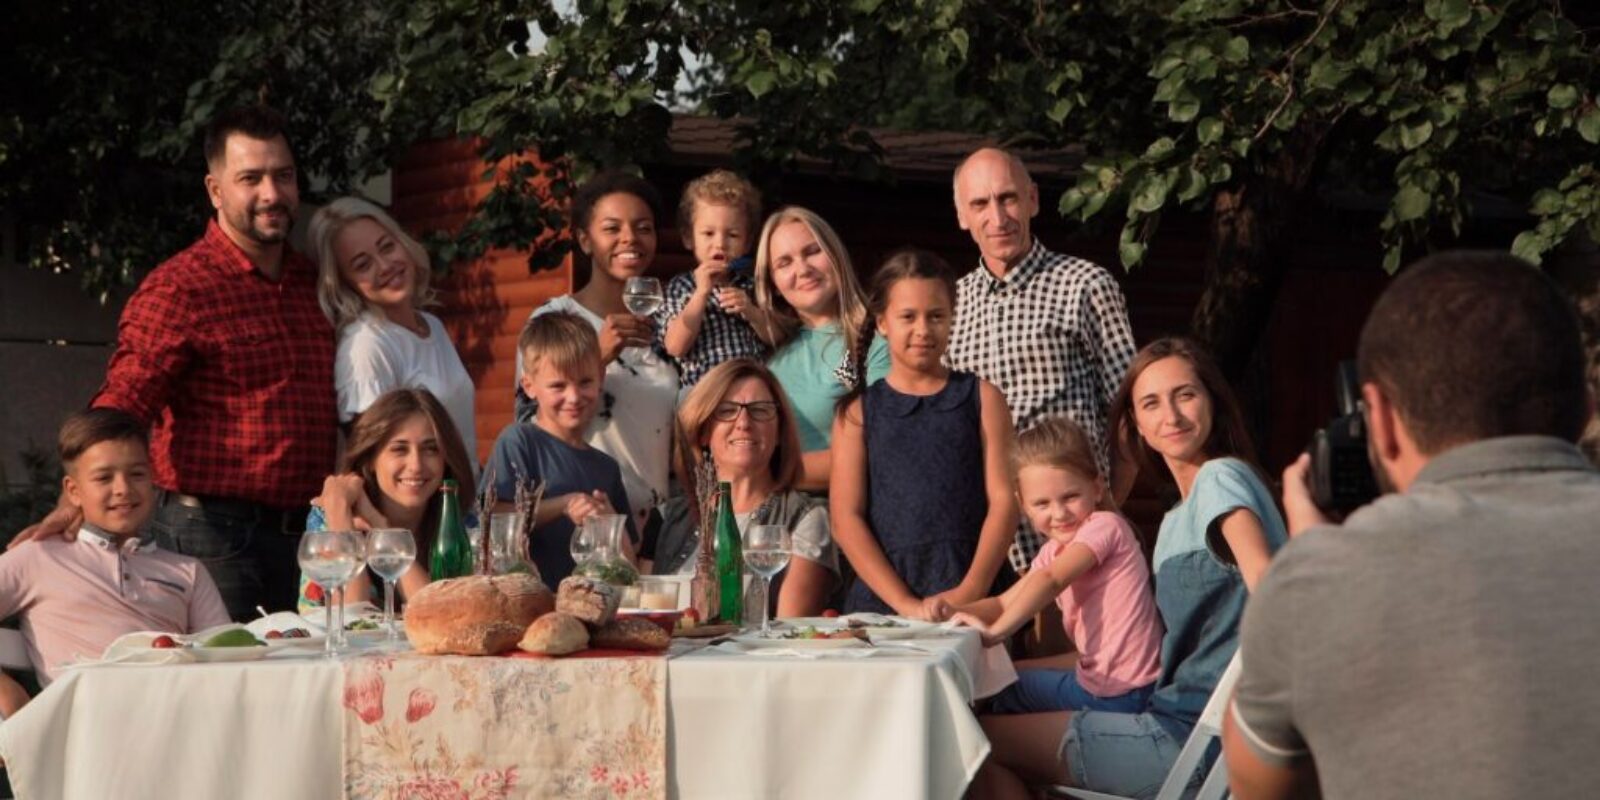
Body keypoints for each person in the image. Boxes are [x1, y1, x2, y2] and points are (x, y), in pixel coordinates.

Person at [1225, 252, 1600, 800]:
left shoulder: (1317, 580)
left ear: (1376, 417)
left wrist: (1315, 565)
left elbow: (1260, 788)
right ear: (1586, 409)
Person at [12, 106, 336, 620]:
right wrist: (76, 499)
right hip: (213, 536)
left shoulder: (312, 284)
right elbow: (123, 401)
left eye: (284, 175)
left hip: (310, 535)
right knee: (228, 687)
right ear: (215, 190)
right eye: (250, 178)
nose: (271, 194)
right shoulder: (180, 288)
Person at [973, 337, 1285, 799]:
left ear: (1213, 402)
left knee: (971, 744)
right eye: (1152, 403)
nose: (1172, 417)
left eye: (1186, 395)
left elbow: (1270, 587)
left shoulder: (1220, 478)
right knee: (985, 738)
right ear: (1134, 423)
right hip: (1179, 724)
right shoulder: (1178, 519)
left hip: (1191, 742)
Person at [946, 147, 1138, 574]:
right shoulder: (951, 304)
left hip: (1075, 538)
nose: (998, 218)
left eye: (1008, 198)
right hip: (988, 548)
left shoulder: (1085, 284)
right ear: (962, 216)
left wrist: (1102, 513)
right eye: (980, 204)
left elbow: (1129, 411)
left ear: (1032, 199)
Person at [0, 409, 230, 713]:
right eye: (103, 477)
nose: (123, 489)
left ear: (153, 480)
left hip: (177, 722)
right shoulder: (39, 555)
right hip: (82, 734)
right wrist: (7, 692)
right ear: (73, 491)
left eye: (136, 474)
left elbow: (226, 658)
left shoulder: (187, 571)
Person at [830, 249, 1017, 619]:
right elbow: (845, 518)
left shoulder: (982, 398)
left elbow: (1005, 501)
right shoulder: (857, 413)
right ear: (882, 322)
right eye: (907, 317)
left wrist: (970, 591)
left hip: (972, 593)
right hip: (883, 601)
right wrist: (905, 604)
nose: (923, 330)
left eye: (935, 316)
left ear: (952, 318)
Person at [948, 417, 1162, 715]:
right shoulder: (1053, 551)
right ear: (1023, 505)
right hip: (1104, 687)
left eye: (1071, 496)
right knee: (999, 678)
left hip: (1124, 693)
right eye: (1042, 504)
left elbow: (1051, 580)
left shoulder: (1106, 526)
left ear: (1097, 488)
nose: (1059, 513)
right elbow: (1001, 602)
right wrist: (946, 614)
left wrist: (995, 633)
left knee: (987, 697)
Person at [515, 170, 678, 525]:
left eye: (643, 227)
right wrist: (596, 357)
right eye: (611, 228)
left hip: (653, 528)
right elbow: (528, 421)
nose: (629, 238)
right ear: (585, 240)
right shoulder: (556, 319)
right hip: (580, 520)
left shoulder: (671, 323)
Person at [646, 359, 839, 616]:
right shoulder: (667, 516)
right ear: (703, 431)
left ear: (779, 430)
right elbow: (641, 618)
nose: (744, 422)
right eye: (726, 410)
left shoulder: (806, 519)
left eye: (760, 410)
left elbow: (790, 633)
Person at [308, 196, 476, 460]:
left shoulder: (432, 325)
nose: (385, 266)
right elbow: (374, 461)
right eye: (363, 264)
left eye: (387, 247)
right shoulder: (366, 347)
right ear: (343, 283)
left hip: (463, 497)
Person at [295, 388, 478, 614]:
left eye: (431, 449)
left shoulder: (462, 523)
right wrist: (340, 512)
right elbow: (351, 620)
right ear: (371, 458)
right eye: (399, 449)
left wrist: (381, 528)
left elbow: (446, 617)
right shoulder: (330, 517)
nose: (416, 465)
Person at [489, 312, 635, 582]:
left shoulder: (607, 468)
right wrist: (564, 505)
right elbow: (495, 521)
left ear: (601, 377)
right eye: (558, 385)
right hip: (531, 608)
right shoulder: (519, 441)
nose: (574, 397)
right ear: (530, 386)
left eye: (585, 382)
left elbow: (629, 566)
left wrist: (609, 521)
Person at [754, 206, 890, 490]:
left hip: (849, 521)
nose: (802, 269)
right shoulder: (768, 352)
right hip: (775, 523)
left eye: (812, 251)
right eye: (784, 263)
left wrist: (764, 473)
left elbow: (885, 450)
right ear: (774, 284)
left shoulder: (880, 338)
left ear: (835, 255)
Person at [657, 169, 772, 389]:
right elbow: (675, 347)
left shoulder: (751, 286)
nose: (720, 244)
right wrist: (700, 294)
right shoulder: (681, 288)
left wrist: (751, 312)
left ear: (747, 244)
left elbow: (774, 338)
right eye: (708, 234)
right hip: (702, 393)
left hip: (749, 390)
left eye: (733, 235)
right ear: (689, 238)